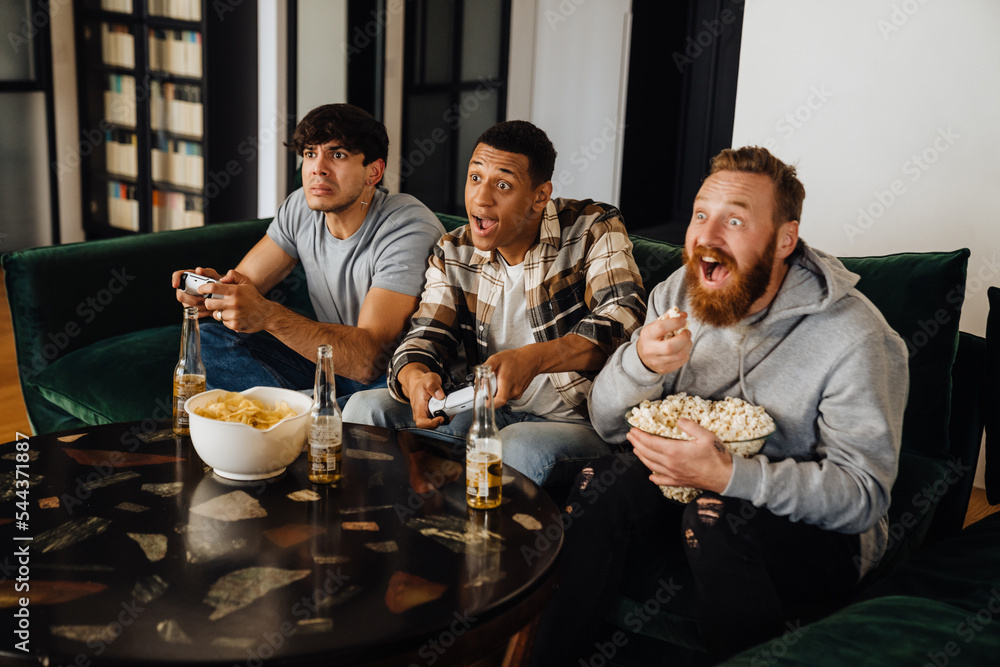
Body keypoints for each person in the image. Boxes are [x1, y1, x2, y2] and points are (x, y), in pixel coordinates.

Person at [530, 146, 909, 664]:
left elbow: (863, 497)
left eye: (734, 221)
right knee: (600, 481)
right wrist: (639, 361)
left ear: (784, 240)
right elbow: (608, 424)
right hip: (685, 489)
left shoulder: (856, 337)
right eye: (701, 215)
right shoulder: (679, 293)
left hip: (816, 532)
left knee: (714, 520)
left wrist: (728, 476)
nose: (706, 238)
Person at [343, 120, 646, 485]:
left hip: (573, 418)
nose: (481, 198)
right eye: (475, 178)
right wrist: (415, 378)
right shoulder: (454, 251)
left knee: (513, 447)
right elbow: (424, 336)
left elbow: (624, 317)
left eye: (502, 184)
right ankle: (370, 527)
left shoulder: (592, 227)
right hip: (482, 408)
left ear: (540, 196)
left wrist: (533, 360)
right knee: (365, 408)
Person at [171, 104, 444, 404]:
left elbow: (368, 360)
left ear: (374, 172)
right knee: (207, 343)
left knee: (372, 400)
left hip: (391, 377)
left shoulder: (407, 226)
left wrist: (268, 315)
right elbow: (244, 284)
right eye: (311, 154)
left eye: (337, 155)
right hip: (327, 365)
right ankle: (313, 412)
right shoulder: (300, 206)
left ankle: (296, 413)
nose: (318, 168)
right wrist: (216, 293)